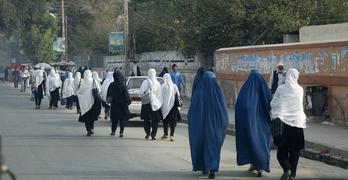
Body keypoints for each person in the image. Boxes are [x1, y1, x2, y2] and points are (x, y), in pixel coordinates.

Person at [188, 70, 228, 179]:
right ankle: (212, 169)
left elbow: (192, 113)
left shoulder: (198, 93)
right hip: (215, 128)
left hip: (201, 128)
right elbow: (224, 114)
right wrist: (222, 126)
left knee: (203, 146)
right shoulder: (218, 93)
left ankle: (205, 167)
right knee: (213, 147)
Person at [271, 68, 307, 180]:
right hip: (297, 124)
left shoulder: (281, 88)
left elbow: (273, 103)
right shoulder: (300, 89)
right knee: (295, 152)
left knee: (281, 152)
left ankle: (286, 169)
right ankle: (293, 175)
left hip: (283, 125)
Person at [235, 69, 272, 177]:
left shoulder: (245, 90)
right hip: (263, 122)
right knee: (262, 143)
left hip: (248, 123)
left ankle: (254, 164)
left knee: (250, 141)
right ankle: (259, 166)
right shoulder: (264, 89)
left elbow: (239, 106)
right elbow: (271, 103)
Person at [140, 69, 163, 140]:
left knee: (146, 119)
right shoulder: (158, 83)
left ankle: (147, 133)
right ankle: (153, 135)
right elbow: (159, 95)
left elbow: (141, 92)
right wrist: (159, 102)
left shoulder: (145, 82)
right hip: (155, 104)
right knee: (154, 120)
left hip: (147, 103)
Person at [107, 70, 131, 137]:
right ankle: (121, 132)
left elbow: (109, 94)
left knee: (114, 119)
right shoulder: (122, 85)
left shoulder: (111, 85)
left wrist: (108, 101)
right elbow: (126, 94)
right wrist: (128, 101)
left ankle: (113, 131)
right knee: (122, 119)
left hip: (114, 105)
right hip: (122, 105)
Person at [77, 70, 101, 136]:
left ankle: (88, 130)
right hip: (92, 102)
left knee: (86, 117)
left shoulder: (81, 81)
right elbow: (99, 89)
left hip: (84, 103)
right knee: (92, 116)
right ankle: (92, 128)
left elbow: (78, 91)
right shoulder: (93, 81)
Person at [160, 73, 181, 141]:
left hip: (165, 107)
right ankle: (172, 135)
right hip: (173, 107)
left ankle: (165, 134)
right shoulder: (174, 86)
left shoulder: (163, 86)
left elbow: (160, 96)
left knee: (165, 121)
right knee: (173, 122)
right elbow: (178, 95)